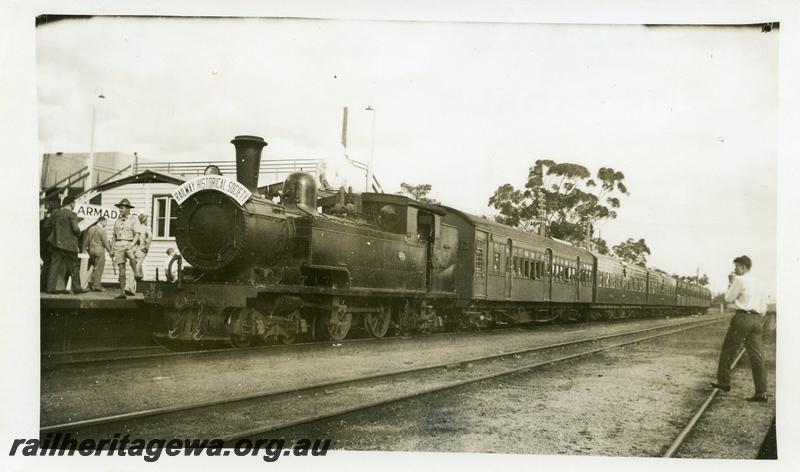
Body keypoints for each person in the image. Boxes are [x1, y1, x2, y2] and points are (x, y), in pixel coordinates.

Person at [712, 255, 769, 402]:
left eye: (736, 266)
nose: (735, 269)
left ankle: (724, 382)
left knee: (728, 349)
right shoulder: (761, 283)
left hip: (742, 318)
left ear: (743, 267)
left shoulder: (740, 280)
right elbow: (764, 307)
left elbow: (728, 299)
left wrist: (730, 282)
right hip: (757, 320)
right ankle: (761, 392)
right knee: (757, 356)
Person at [45, 196, 87, 294]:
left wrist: (56, 234)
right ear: (71, 203)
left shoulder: (55, 213)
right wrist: (79, 233)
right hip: (69, 245)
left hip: (56, 244)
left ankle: (50, 288)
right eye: (74, 203)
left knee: (54, 266)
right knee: (74, 267)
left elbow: (46, 225)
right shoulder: (72, 214)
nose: (75, 205)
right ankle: (77, 288)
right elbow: (76, 229)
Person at [111, 198, 138, 299]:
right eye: (120, 208)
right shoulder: (117, 220)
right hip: (118, 244)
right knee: (121, 268)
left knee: (131, 255)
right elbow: (114, 235)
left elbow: (137, 234)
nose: (120, 210)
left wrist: (132, 244)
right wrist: (112, 248)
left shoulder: (134, 219)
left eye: (122, 208)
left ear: (128, 209)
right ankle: (122, 292)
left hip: (129, 242)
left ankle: (136, 273)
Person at [82, 217, 112, 291]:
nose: (106, 224)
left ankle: (92, 284)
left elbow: (88, 240)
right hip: (99, 250)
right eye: (105, 222)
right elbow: (105, 243)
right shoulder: (102, 230)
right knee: (99, 268)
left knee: (94, 267)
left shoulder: (90, 229)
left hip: (91, 250)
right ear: (101, 221)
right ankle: (97, 286)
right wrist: (110, 251)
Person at [132, 213, 152, 281]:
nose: (148, 221)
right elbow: (150, 237)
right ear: (144, 220)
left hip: (135, 248)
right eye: (147, 220)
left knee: (138, 264)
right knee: (138, 264)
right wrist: (146, 247)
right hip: (142, 248)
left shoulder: (137, 227)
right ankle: (134, 280)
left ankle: (140, 279)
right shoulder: (146, 228)